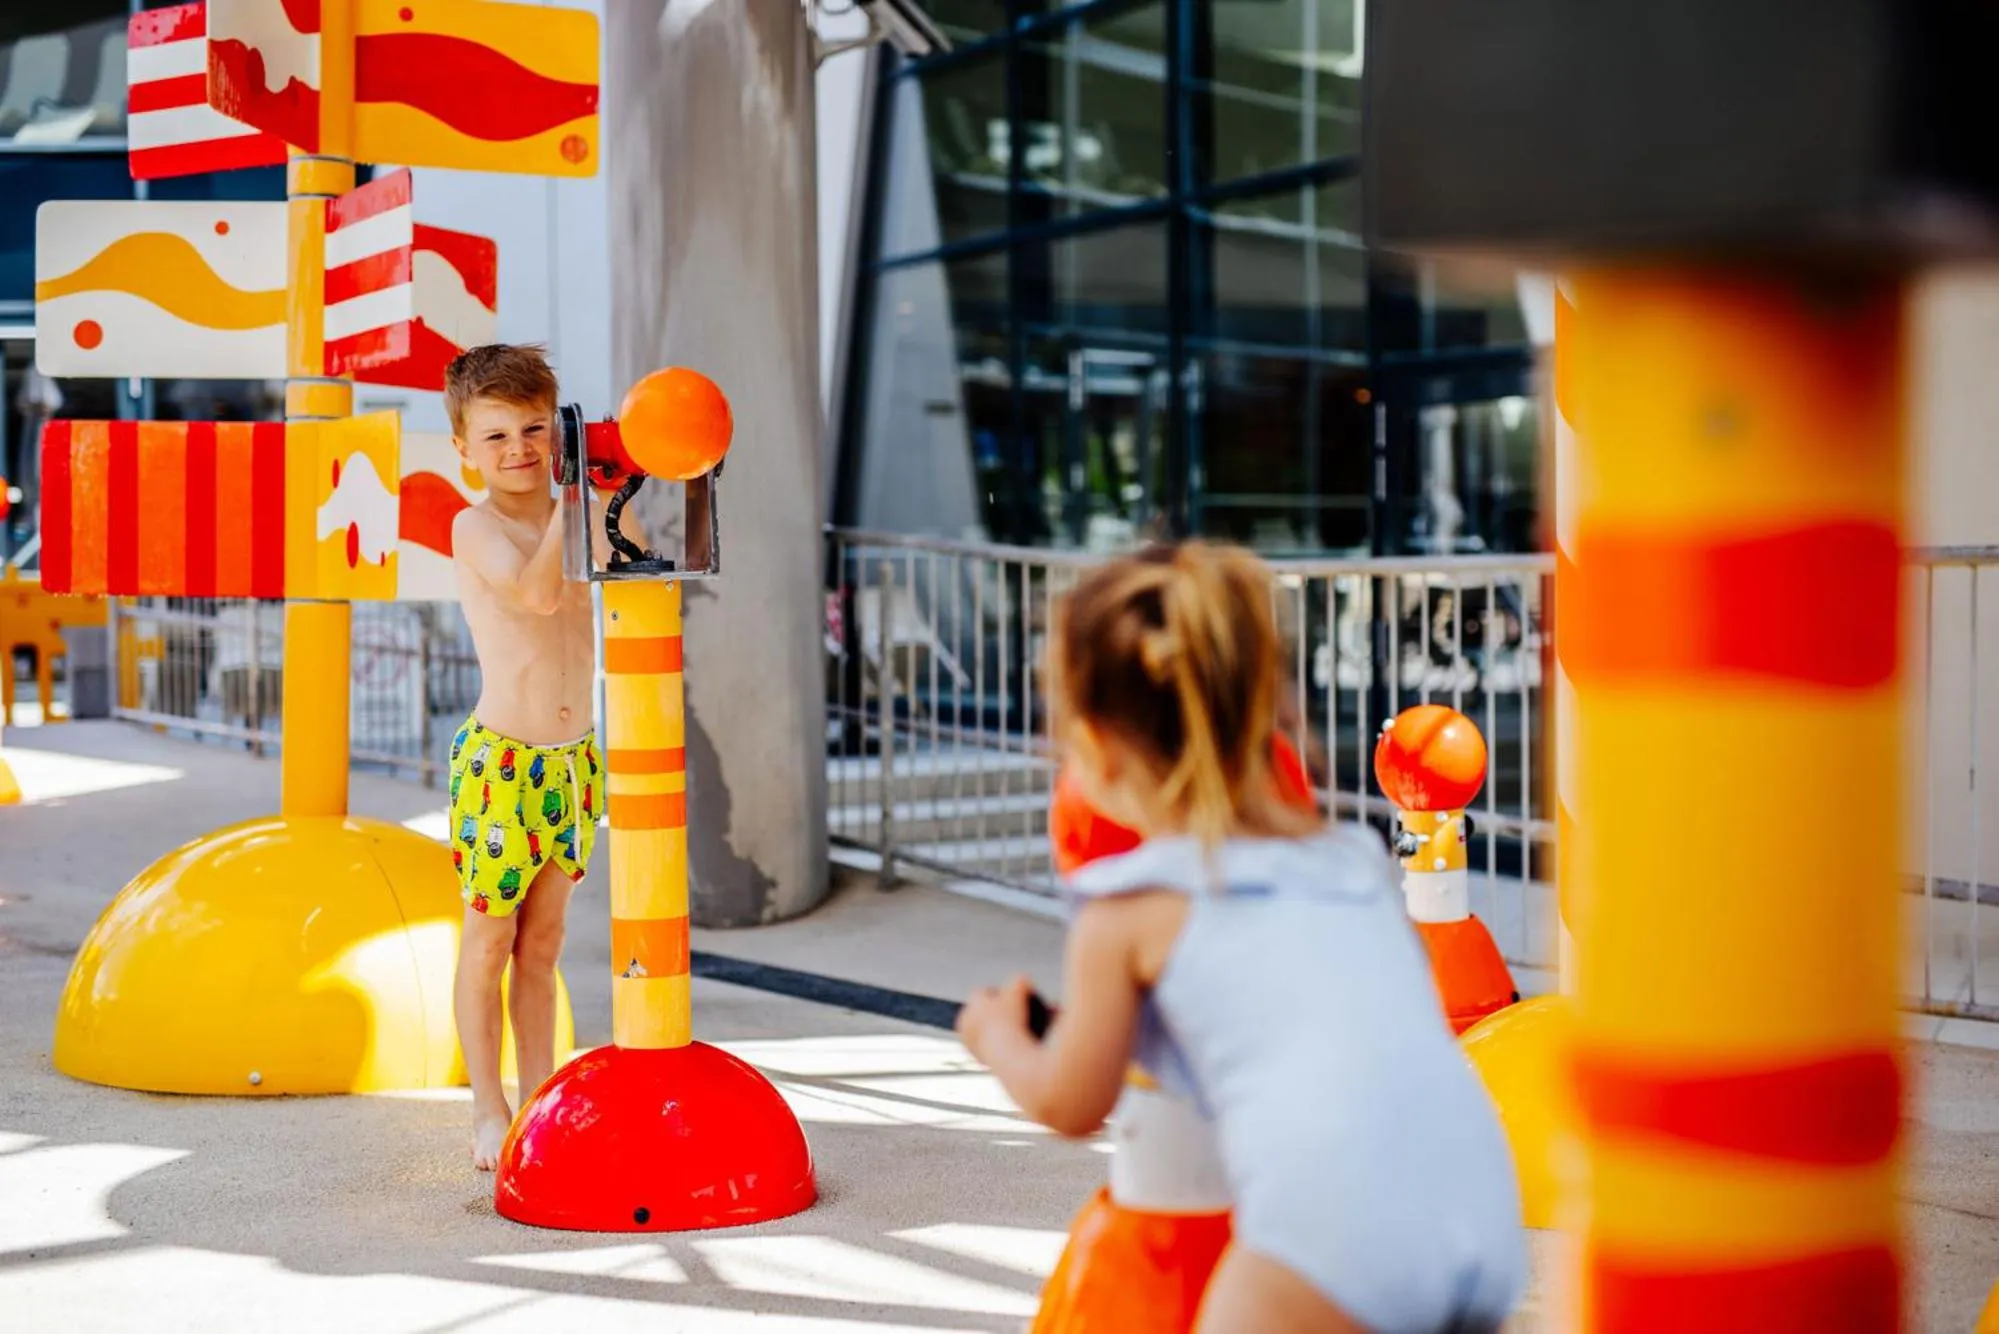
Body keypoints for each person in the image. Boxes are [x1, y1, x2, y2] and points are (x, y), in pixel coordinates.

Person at [957, 542, 1524, 1334]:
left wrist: (992, 1035)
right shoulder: (1352, 860)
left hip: (1334, 1241)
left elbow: (1070, 1100)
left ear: (1096, 747)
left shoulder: (1128, 912)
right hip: (1478, 1207)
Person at [444, 344, 606, 1171]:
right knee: (489, 943)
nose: (520, 449)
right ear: (464, 449)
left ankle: (542, 1098)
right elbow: (539, 594)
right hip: (502, 763)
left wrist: (622, 480)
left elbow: (646, 563)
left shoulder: (580, 509)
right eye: (497, 435)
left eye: (536, 428)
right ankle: (488, 1106)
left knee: (542, 947)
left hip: (572, 762)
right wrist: (576, 502)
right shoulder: (476, 525)